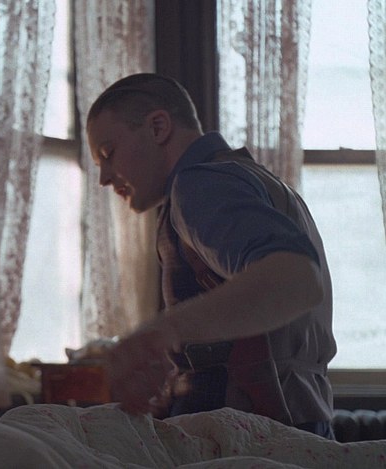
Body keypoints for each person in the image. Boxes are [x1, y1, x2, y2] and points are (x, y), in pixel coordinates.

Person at [85, 73, 336, 438]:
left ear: (158, 127)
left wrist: (159, 333)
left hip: (247, 439)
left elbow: (298, 279)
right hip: (299, 423)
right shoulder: (257, 181)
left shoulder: (200, 185)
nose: (104, 178)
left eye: (108, 154)